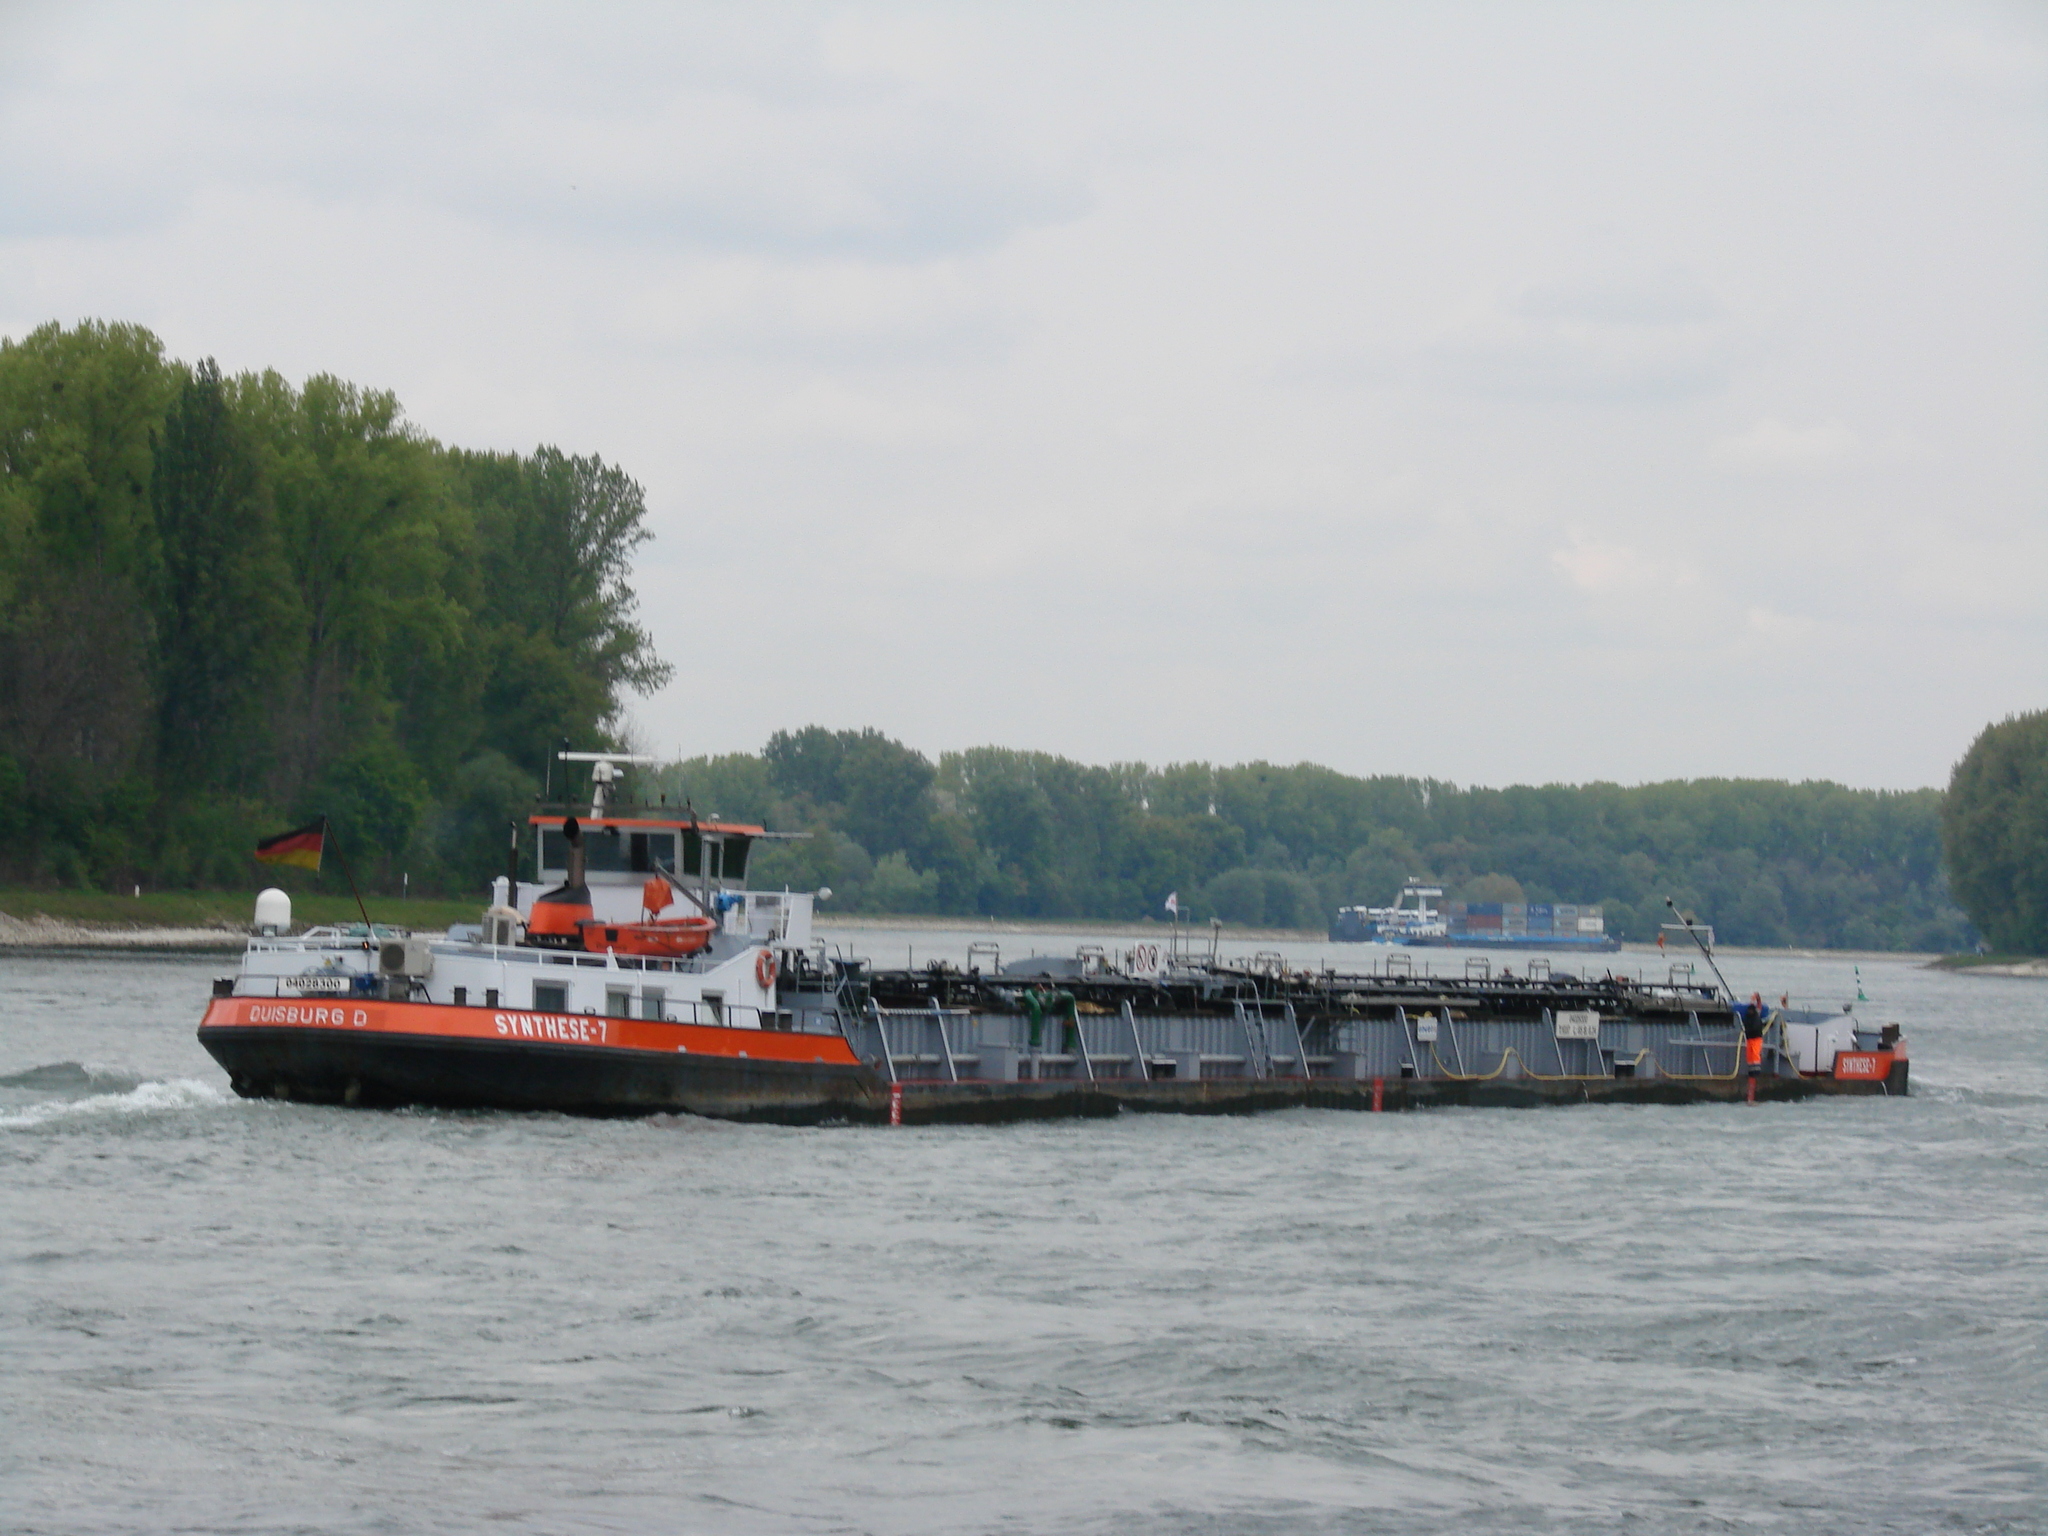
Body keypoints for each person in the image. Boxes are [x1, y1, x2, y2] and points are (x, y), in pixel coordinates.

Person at [1741, 991, 1767, 1074]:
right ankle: (1751, 1070)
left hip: (1756, 1038)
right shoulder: (1749, 1016)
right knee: (1750, 1055)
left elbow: (1758, 1006)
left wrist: (1757, 998)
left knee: (1755, 1054)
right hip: (1750, 1038)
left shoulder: (1755, 1015)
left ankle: (1756, 1070)